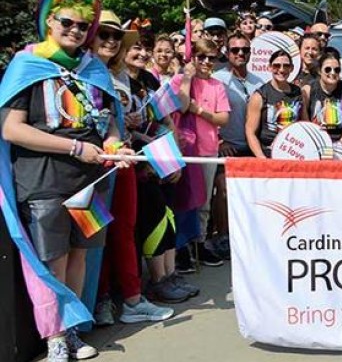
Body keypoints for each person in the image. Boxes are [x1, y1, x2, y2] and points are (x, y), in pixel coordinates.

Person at [0, 0, 136, 362]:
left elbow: (107, 124)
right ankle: (54, 338)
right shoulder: (27, 65)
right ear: (49, 22)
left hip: (90, 181)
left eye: (82, 25)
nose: (76, 30)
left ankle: (72, 331)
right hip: (43, 180)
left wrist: (113, 145)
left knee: (80, 255)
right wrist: (74, 149)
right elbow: (12, 130)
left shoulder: (93, 69)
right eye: (67, 23)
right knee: (52, 260)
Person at [93, 31, 177, 326]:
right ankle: (100, 300)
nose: (111, 41)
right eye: (103, 34)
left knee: (125, 231)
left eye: (117, 36)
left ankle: (131, 300)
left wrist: (165, 156)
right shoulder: (77, 72)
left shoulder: (127, 80)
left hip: (125, 162)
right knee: (95, 235)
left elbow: (140, 126)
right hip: (89, 167)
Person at [171, 39, 231, 273]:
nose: (206, 62)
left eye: (211, 58)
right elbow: (182, 105)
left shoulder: (217, 86)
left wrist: (200, 110)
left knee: (203, 202)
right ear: (193, 57)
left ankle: (199, 242)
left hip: (207, 149)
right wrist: (187, 77)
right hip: (185, 150)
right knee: (183, 200)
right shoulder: (181, 80)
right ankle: (181, 247)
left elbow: (222, 118)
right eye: (201, 57)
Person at [211, 32, 263, 260]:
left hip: (252, 147)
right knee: (223, 191)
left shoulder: (259, 81)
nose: (240, 53)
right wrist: (219, 142)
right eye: (235, 50)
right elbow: (207, 115)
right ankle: (223, 237)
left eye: (245, 50)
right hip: (227, 146)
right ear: (227, 52)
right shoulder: (216, 79)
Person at [246, 49, 307, 158]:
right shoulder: (260, 95)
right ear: (269, 67)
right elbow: (250, 132)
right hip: (268, 153)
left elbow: (305, 124)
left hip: (293, 152)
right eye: (276, 66)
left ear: (292, 68)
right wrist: (262, 159)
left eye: (286, 66)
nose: (281, 70)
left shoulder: (298, 92)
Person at [304, 53, 342, 143]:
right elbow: (304, 122)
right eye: (328, 69)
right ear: (319, 71)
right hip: (317, 141)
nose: (333, 73)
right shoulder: (309, 89)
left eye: (337, 70)